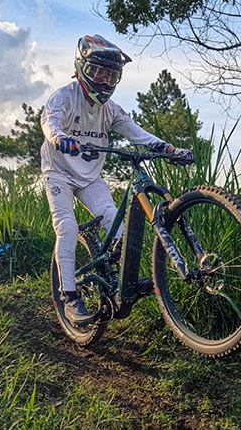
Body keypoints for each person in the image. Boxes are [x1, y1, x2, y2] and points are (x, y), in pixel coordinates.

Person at [40, 34, 194, 325]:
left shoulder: (110, 110)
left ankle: (120, 278)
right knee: (67, 227)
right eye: (99, 72)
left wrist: (169, 149)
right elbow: (50, 122)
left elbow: (137, 134)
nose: (105, 81)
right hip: (58, 172)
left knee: (115, 222)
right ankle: (69, 295)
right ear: (82, 68)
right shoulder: (64, 96)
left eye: (112, 75)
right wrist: (60, 139)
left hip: (89, 178)